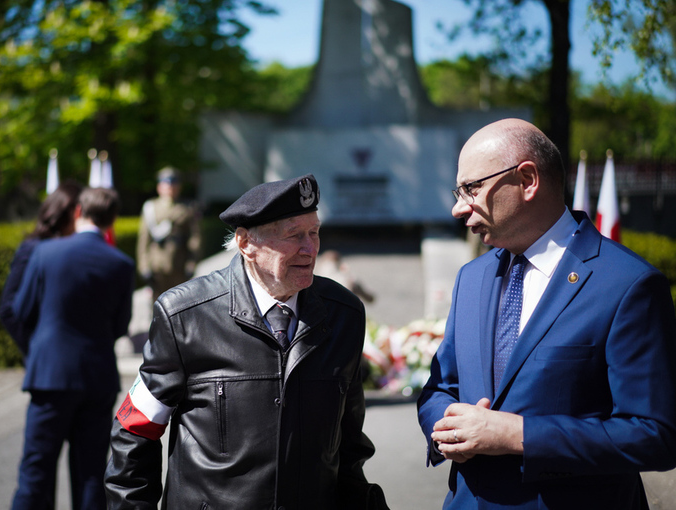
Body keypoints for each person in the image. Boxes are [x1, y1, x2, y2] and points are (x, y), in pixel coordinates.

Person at [417, 118, 676, 509]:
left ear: (526, 180)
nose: (458, 207)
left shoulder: (628, 284)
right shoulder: (472, 277)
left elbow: (655, 434)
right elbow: (440, 388)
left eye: (471, 188)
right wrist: (447, 428)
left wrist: (518, 435)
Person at [105, 174, 390, 509]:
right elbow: (136, 430)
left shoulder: (344, 314)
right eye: (293, 235)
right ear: (245, 243)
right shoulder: (185, 315)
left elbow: (350, 443)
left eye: (314, 232)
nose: (310, 248)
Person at [10, 187, 136, 510]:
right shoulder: (121, 263)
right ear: (112, 221)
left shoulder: (45, 253)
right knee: (91, 475)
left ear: (78, 212)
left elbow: (21, 311)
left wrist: (38, 350)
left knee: (35, 472)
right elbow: (121, 327)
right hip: (97, 376)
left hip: (50, 376)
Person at [0, 181, 83, 359]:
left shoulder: (77, 249)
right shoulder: (33, 249)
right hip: (47, 361)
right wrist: (37, 352)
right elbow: (8, 309)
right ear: (69, 212)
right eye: (81, 212)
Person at [136, 166, 201, 300]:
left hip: (179, 263)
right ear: (159, 187)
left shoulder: (188, 208)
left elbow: (195, 238)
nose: (170, 187)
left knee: (180, 303)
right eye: (166, 184)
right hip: (156, 264)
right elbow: (144, 239)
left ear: (179, 187)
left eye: (174, 184)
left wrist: (192, 262)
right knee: (157, 304)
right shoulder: (151, 208)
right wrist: (143, 266)